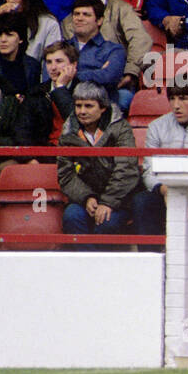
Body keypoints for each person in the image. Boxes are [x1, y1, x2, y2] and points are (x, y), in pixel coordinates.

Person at [55, 81, 138, 249]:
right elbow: (66, 174)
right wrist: (87, 197)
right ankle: (87, 270)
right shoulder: (68, 132)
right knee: (72, 217)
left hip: (119, 200)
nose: (82, 111)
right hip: (85, 199)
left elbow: (127, 169)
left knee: (106, 224)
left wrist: (107, 202)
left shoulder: (121, 129)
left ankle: (102, 272)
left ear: (103, 108)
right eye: (78, 106)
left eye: (89, 106)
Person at [132, 84, 188, 237]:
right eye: (172, 99)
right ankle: (151, 259)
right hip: (165, 191)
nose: (176, 106)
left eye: (183, 99)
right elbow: (148, 170)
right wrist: (163, 189)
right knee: (141, 202)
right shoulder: (157, 126)